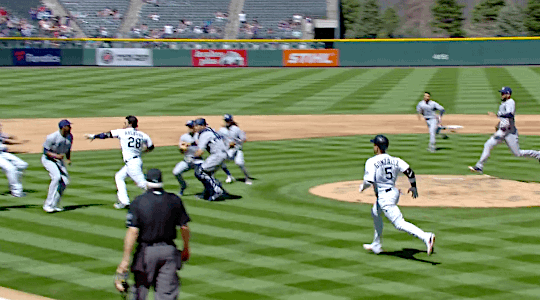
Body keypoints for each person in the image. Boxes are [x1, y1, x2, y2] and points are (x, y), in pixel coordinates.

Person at [115, 168, 190, 300]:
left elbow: (133, 231)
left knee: (140, 292)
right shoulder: (174, 200)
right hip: (169, 251)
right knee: (167, 296)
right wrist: (186, 249)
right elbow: (184, 227)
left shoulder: (139, 201)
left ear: (147, 181)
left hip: (146, 252)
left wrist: (125, 261)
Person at [360, 135, 435, 255]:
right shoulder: (396, 160)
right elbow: (409, 172)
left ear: (377, 147)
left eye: (374, 145)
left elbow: (368, 182)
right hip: (393, 193)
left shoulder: (371, 161)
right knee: (375, 213)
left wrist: (361, 188)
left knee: (399, 223)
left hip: (385, 198)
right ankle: (376, 244)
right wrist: (413, 186)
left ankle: (426, 236)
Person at [84, 116, 154, 209]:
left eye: (125, 122)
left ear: (129, 123)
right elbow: (151, 146)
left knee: (142, 184)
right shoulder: (143, 135)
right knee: (119, 177)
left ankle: (160, 199)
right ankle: (124, 201)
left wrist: (94, 136)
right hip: (136, 160)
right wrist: (144, 150)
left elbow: (106, 135)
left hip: (132, 164)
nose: (124, 124)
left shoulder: (122, 132)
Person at [469, 87, 540, 174]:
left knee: (518, 153)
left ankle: (538, 154)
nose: (501, 95)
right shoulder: (503, 104)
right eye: (501, 93)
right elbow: (504, 120)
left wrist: (498, 115)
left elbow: (510, 114)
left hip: (510, 133)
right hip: (501, 132)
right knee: (488, 144)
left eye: (503, 93)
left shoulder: (511, 102)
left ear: (508, 94)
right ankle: (479, 166)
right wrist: (498, 125)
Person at [191, 118, 228, 201]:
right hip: (222, 154)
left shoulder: (205, 134)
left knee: (200, 171)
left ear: (203, 126)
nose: (195, 127)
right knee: (208, 174)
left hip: (217, 155)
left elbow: (200, 151)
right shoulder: (210, 130)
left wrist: (191, 157)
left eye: (197, 125)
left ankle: (217, 190)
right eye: (195, 125)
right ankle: (208, 192)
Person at [42, 119, 73, 213]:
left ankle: (55, 204)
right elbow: (45, 151)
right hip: (48, 160)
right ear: (63, 127)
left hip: (59, 160)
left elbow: (68, 149)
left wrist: (68, 159)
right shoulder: (52, 137)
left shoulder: (70, 137)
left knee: (65, 182)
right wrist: (56, 156)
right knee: (56, 177)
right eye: (68, 126)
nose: (70, 128)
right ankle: (48, 205)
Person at [218, 114, 252, 185]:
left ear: (231, 120)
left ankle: (247, 177)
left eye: (228, 120)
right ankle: (229, 176)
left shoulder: (236, 129)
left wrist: (236, 142)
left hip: (237, 150)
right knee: (220, 161)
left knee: (240, 163)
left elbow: (244, 139)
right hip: (227, 150)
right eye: (226, 121)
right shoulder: (222, 130)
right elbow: (218, 139)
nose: (227, 122)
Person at [173, 120, 203, 195]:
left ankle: (210, 189)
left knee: (203, 176)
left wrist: (189, 144)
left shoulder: (199, 135)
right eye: (188, 127)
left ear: (195, 127)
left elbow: (200, 146)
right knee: (176, 172)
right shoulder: (184, 137)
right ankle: (183, 186)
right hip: (187, 161)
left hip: (198, 161)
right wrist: (182, 148)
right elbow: (181, 150)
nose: (189, 128)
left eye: (191, 126)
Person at [0, 123, 28, 197]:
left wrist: (18, 141)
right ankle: (17, 192)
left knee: (22, 165)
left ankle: (13, 184)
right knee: (11, 169)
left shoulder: (1, 133)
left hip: (2, 153)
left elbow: (5, 137)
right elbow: (6, 141)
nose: (0, 127)